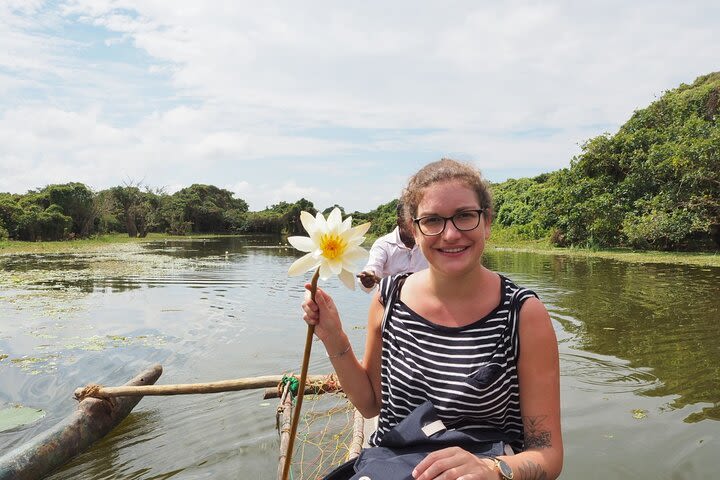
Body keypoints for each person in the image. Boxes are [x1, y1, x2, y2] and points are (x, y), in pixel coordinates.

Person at [302, 158, 563, 480]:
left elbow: (548, 455)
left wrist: (493, 470)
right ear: (414, 229)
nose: (450, 234)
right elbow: (370, 406)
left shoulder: (522, 313)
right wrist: (334, 337)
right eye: (433, 220)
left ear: (487, 222)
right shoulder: (389, 298)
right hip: (393, 465)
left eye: (465, 216)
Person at [356, 201, 428, 291]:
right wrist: (368, 278)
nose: (416, 226)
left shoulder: (428, 242)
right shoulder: (383, 245)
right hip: (389, 302)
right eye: (410, 222)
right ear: (400, 222)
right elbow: (373, 268)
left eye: (419, 221)